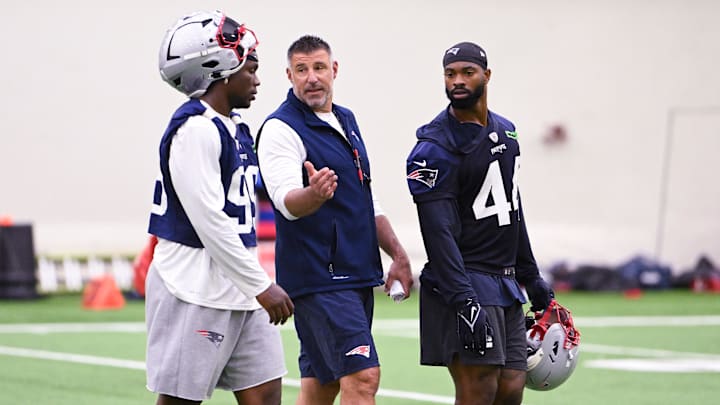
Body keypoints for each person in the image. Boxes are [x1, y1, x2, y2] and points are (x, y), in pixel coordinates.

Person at [145, 10, 294, 405]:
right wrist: (262, 284)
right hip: (193, 286)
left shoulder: (235, 127)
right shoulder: (195, 129)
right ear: (221, 70)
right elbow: (211, 222)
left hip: (238, 286)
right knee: (181, 400)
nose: (258, 79)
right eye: (251, 68)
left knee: (265, 393)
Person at [256, 35, 414, 405]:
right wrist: (313, 195)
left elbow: (366, 197)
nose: (312, 77)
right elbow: (286, 202)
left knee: (321, 384)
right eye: (301, 69)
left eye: (319, 67)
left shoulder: (346, 119)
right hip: (319, 278)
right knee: (362, 377)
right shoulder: (281, 128)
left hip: (356, 273)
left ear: (334, 70)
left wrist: (397, 253)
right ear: (289, 75)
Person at [405, 42, 555, 405]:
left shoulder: (507, 133)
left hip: (504, 283)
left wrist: (532, 279)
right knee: (479, 390)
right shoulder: (433, 148)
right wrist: (464, 300)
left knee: (512, 388)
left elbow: (512, 210)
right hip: (465, 280)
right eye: (450, 74)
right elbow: (437, 233)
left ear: (486, 76)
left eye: (466, 72)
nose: (457, 81)